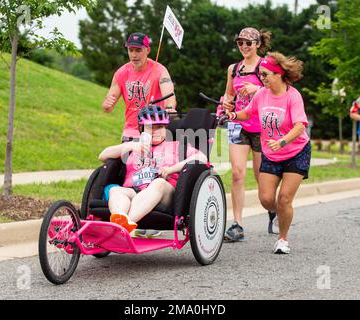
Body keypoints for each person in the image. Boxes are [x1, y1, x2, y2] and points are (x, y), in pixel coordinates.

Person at [223, 52, 310, 254]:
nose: (262, 79)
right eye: (261, 75)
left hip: (296, 151)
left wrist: (282, 141)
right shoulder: (262, 94)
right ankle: (279, 213)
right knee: (266, 199)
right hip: (272, 154)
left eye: (265, 75)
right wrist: (233, 115)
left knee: (285, 199)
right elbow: (249, 113)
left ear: (278, 74)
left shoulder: (292, 96)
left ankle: (282, 239)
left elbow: (300, 126)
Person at [98, 105, 207, 233]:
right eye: (150, 127)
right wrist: (131, 145)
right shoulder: (134, 147)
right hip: (135, 191)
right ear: (141, 129)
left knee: (158, 183)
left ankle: (120, 229)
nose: (155, 131)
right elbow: (103, 155)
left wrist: (171, 169)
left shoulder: (176, 146)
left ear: (165, 128)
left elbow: (202, 157)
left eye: (159, 127)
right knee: (116, 190)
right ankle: (120, 219)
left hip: (165, 194)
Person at [219, 27, 277, 242]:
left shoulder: (266, 65)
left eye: (248, 43)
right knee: (237, 173)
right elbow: (229, 93)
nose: (243, 46)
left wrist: (259, 90)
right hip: (238, 123)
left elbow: (279, 91)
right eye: (240, 43)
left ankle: (273, 209)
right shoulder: (234, 68)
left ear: (258, 44)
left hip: (262, 126)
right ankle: (238, 225)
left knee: (261, 178)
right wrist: (226, 102)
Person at [102, 32, 177, 143]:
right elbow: (107, 107)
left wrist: (170, 107)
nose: (134, 55)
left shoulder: (160, 71)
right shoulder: (121, 73)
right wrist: (106, 105)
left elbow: (169, 96)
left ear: (147, 50)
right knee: (122, 160)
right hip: (130, 132)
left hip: (155, 132)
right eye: (131, 50)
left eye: (138, 50)